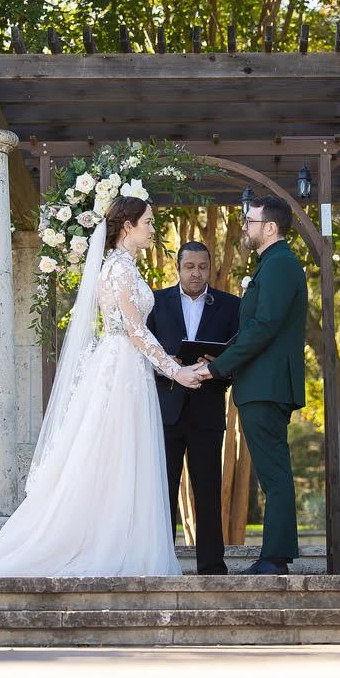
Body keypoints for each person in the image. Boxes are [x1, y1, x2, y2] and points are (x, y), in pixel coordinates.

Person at [0, 196, 204, 577]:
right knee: (117, 455)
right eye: (148, 222)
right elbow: (135, 329)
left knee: (122, 456)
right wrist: (176, 370)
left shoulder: (123, 266)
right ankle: (108, 546)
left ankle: (122, 541)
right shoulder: (119, 270)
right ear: (127, 226)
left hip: (127, 368)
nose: (153, 229)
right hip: (121, 367)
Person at [194, 195, 308, 576]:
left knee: (274, 475)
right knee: (273, 472)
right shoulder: (272, 265)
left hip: (266, 386)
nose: (245, 225)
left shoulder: (279, 266)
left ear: (270, 228)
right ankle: (275, 556)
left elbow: (263, 327)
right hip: (261, 384)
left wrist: (218, 368)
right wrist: (219, 357)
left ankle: (274, 559)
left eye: (251, 220)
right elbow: (257, 327)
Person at [147, 241, 240, 575]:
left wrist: (215, 365)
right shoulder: (155, 302)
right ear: (178, 267)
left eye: (203, 266)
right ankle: (160, 564)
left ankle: (212, 567)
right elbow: (143, 353)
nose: (196, 273)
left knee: (208, 491)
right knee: (163, 492)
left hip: (207, 409)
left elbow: (238, 354)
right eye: (190, 266)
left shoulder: (231, 306)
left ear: (210, 267)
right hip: (166, 410)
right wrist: (167, 364)